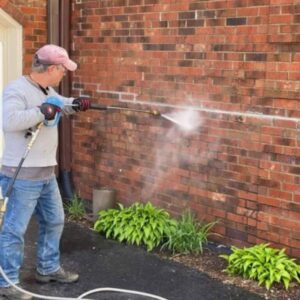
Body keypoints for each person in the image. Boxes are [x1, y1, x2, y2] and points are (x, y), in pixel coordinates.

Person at [0, 44, 90, 300]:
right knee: (14, 230)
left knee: (54, 220)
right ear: (51, 68)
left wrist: (78, 103)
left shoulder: (48, 90)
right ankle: (6, 282)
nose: (65, 74)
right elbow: (8, 121)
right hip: (22, 175)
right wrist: (39, 111)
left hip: (46, 173)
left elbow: (62, 104)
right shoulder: (17, 89)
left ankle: (48, 268)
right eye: (63, 70)